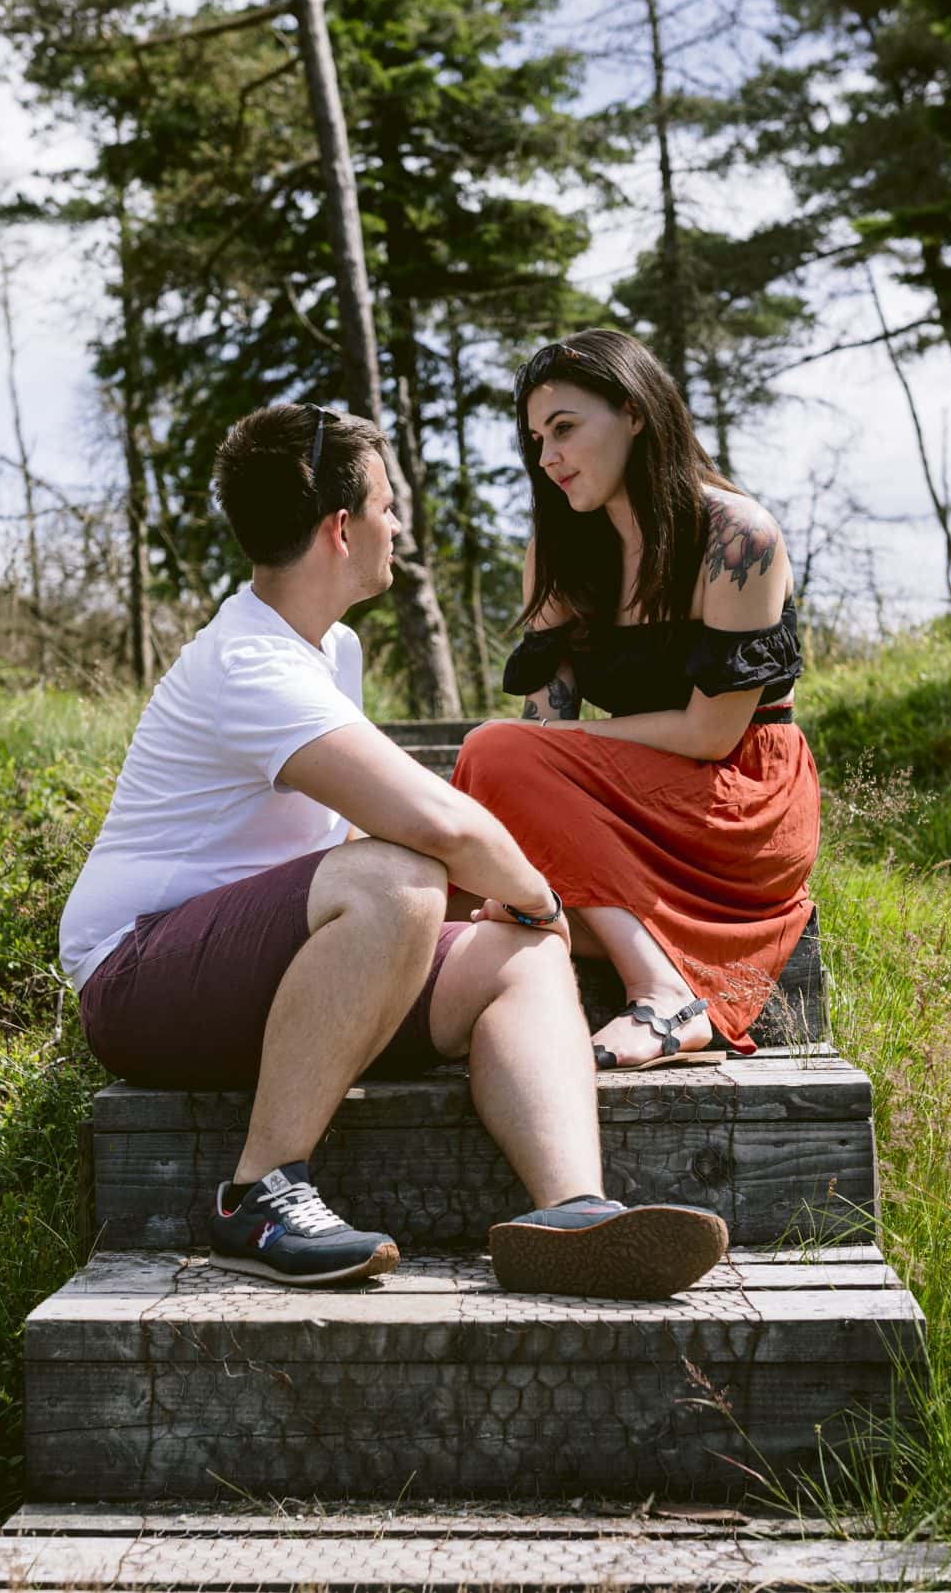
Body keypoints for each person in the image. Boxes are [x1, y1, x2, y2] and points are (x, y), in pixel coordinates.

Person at [57, 401, 727, 1296]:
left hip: (264, 974)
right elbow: (438, 826)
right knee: (406, 876)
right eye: (387, 505)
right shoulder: (248, 664)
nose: (398, 526)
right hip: (139, 974)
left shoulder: (329, 646)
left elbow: (360, 837)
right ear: (341, 529)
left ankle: (573, 1214)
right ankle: (256, 1193)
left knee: (517, 957)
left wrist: (514, 920)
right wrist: (540, 893)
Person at [450, 331, 819, 1072]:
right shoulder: (559, 553)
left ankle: (664, 991)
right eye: (535, 439)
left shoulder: (735, 536)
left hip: (737, 804)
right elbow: (544, 734)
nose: (548, 457)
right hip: (629, 803)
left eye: (565, 428)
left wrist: (568, 751)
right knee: (478, 812)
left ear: (635, 412)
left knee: (492, 750)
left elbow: (713, 733)